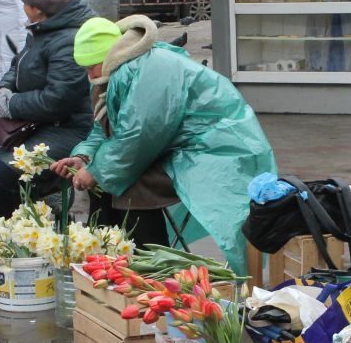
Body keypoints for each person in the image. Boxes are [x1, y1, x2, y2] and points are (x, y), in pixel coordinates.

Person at [51, 16, 276, 275]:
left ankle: (151, 266)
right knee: (107, 179)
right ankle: (110, 258)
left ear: (109, 53)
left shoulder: (149, 68)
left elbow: (140, 136)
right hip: (180, 145)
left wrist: (97, 171)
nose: (89, 74)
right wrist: (85, 156)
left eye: (92, 65)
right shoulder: (118, 69)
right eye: (85, 67)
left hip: (219, 149)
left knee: (130, 182)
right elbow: (107, 128)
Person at [0, 0, 95, 220]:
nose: (23, 7)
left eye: (25, 2)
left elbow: (57, 100)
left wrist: (12, 104)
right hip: (37, 125)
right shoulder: (45, 27)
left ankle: (14, 238)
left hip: (67, 129)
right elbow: (18, 65)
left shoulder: (68, 38)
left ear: (38, 7)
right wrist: (3, 89)